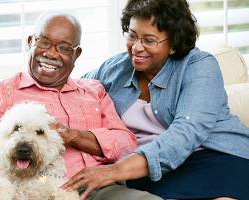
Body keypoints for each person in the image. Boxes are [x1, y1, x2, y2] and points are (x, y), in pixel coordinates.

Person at [63, 0, 249, 200]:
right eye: (132, 35)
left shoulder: (199, 66)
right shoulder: (115, 68)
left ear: (174, 44)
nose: (136, 47)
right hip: (146, 172)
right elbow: (70, 90)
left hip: (212, 158)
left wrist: (113, 171)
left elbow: (186, 133)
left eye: (149, 40)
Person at [0, 12, 163, 200]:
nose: (51, 53)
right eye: (43, 42)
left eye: (64, 48)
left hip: (100, 189)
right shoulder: (4, 92)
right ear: (30, 42)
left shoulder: (94, 91)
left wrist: (73, 136)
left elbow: (126, 142)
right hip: (34, 188)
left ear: (76, 54)